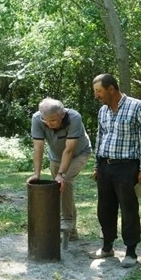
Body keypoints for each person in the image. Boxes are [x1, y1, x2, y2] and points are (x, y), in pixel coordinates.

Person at [90, 73, 141, 267]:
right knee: (104, 208)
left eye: (99, 91)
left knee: (129, 210)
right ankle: (107, 246)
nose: (97, 96)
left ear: (111, 89)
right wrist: (96, 165)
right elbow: (99, 139)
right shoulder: (103, 111)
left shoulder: (137, 107)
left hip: (127, 167)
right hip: (104, 166)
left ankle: (131, 252)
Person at [26, 97, 92, 240]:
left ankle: (67, 219)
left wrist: (61, 173)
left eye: (53, 120)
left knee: (65, 180)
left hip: (79, 153)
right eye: (46, 121)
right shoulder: (37, 119)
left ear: (62, 114)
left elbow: (69, 150)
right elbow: (38, 148)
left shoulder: (74, 117)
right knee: (61, 189)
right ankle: (72, 233)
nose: (49, 124)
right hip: (56, 157)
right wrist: (36, 174)